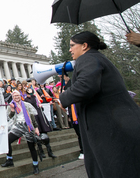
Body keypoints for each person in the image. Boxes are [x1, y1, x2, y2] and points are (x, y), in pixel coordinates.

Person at [59, 31, 140, 178]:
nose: (70, 49)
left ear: (84, 46)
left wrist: (63, 97)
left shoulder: (88, 58)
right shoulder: (97, 58)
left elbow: (86, 86)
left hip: (110, 128)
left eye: (72, 45)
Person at [1, 90, 40, 175]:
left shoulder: (26, 105)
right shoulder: (11, 105)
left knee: (31, 147)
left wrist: (36, 128)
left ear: (20, 96)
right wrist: (12, 110)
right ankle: (9, 159)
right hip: (18, 126)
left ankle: (35, 165)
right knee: (7, 140)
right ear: (12, 97)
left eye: (18, 96)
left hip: (27, 126)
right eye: (15, 96)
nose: (16, 97)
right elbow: (9, 117)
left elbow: (32, 117)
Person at [24, 88, 56, 160]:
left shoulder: (35, 97)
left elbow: (39, 103)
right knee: (37, 135)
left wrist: (40, 105)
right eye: (29, 90)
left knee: (45, 134)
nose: (30, 91)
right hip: (34, 116)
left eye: (31, 90)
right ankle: (41, 152)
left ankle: (49, 151)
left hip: (39, 114)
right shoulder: (26, 100)